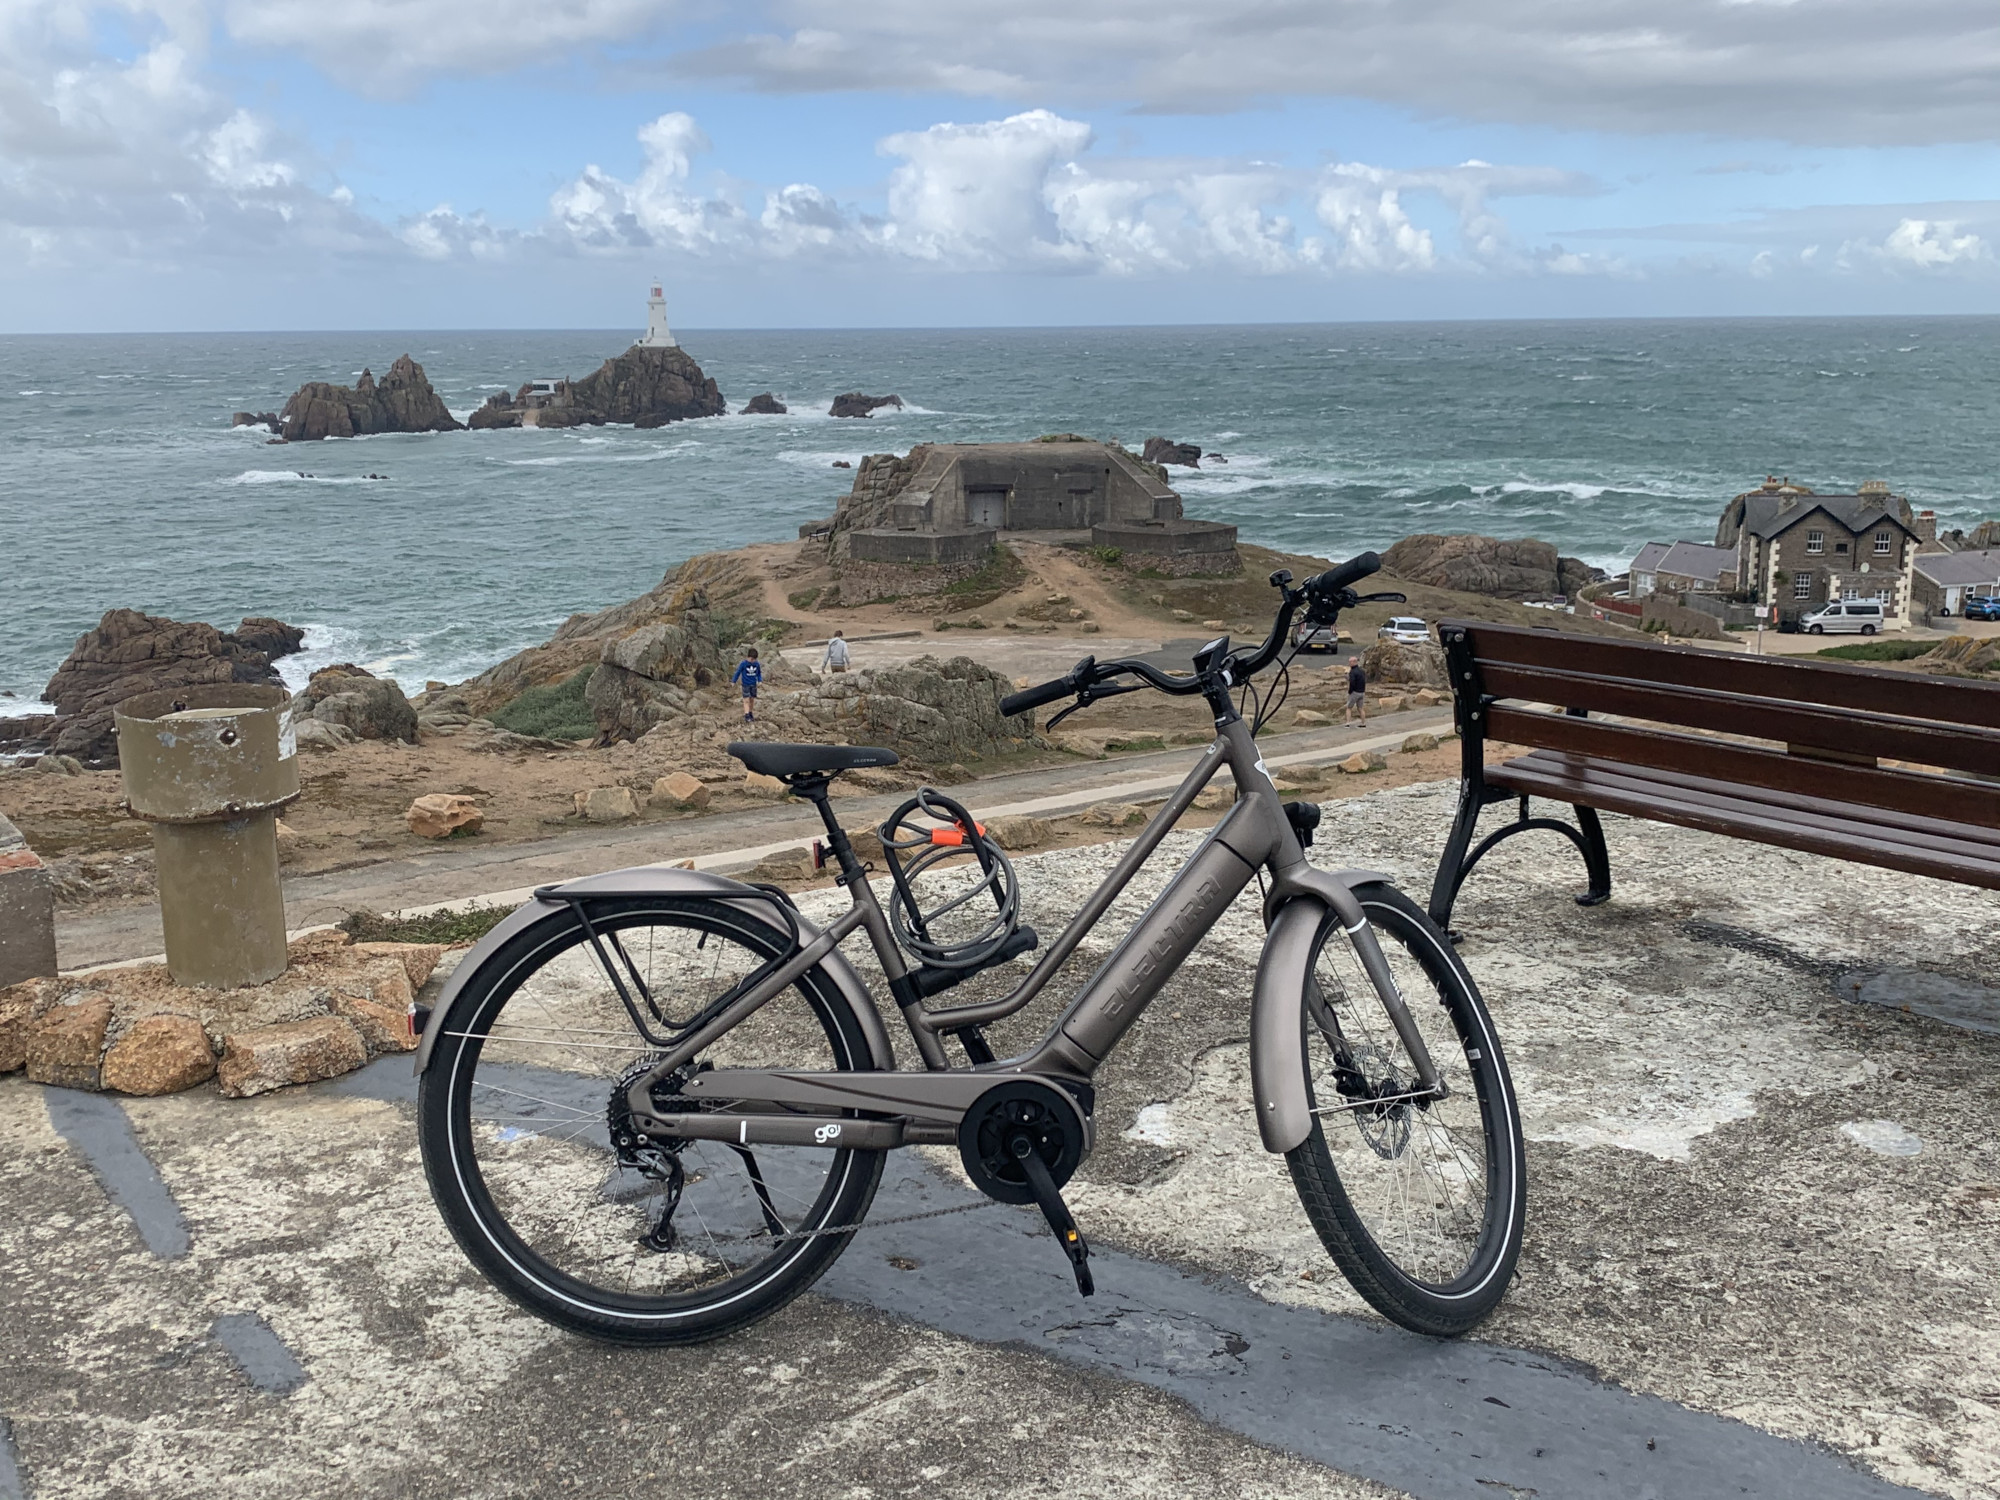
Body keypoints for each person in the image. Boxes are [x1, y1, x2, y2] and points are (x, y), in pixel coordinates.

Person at [732, 647, 763, 723]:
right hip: (745, 685)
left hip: (753, 684)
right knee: (746, 700)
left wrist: (760, 680)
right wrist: (733, 681)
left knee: (752, 700)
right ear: (748, 657)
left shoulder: (756, 664)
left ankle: (750, 712)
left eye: (754, 659)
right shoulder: (743, 664)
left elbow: (759, 673)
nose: (752, 661)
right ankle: (746, 715)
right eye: (751, 659)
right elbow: (738, 672)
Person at [1346, 654, 1367, 725]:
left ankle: (1348, 723)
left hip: (1355, 692)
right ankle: (1363, 723)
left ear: (1354, 662)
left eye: (1350, 662)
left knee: (1349, 707)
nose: (1349, 663)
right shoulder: (1362, 671)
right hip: (1362, 692)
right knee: (1360, 708)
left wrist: (1350, 691)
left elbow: (1352, 682)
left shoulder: (1352, 672)